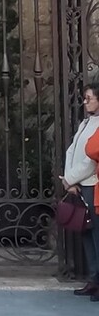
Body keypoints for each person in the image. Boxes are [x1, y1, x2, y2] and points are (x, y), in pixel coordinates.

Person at [62, 84, 99, 296]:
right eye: (84, 98)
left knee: (96, 233)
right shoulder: (85, 122)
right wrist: (70, 181)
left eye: (89, 98)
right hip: (79, 185)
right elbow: (71, 151)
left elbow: (90, 160)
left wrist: (69, 178)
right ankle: (93, 279)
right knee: (85, 231)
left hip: (92, 184)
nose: (85, 102)